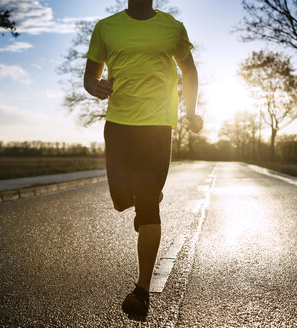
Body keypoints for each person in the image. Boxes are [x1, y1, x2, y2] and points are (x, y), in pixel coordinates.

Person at [83, 0, 201, 317]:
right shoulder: (105, 27)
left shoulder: (171, 28)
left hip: (158, 126)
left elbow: (189, 69)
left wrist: (190, 112)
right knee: (122, 200)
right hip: (119, 125)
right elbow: (90, 77)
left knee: (149, 204)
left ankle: (142, 291)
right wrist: (97, 87)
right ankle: (144, 196)